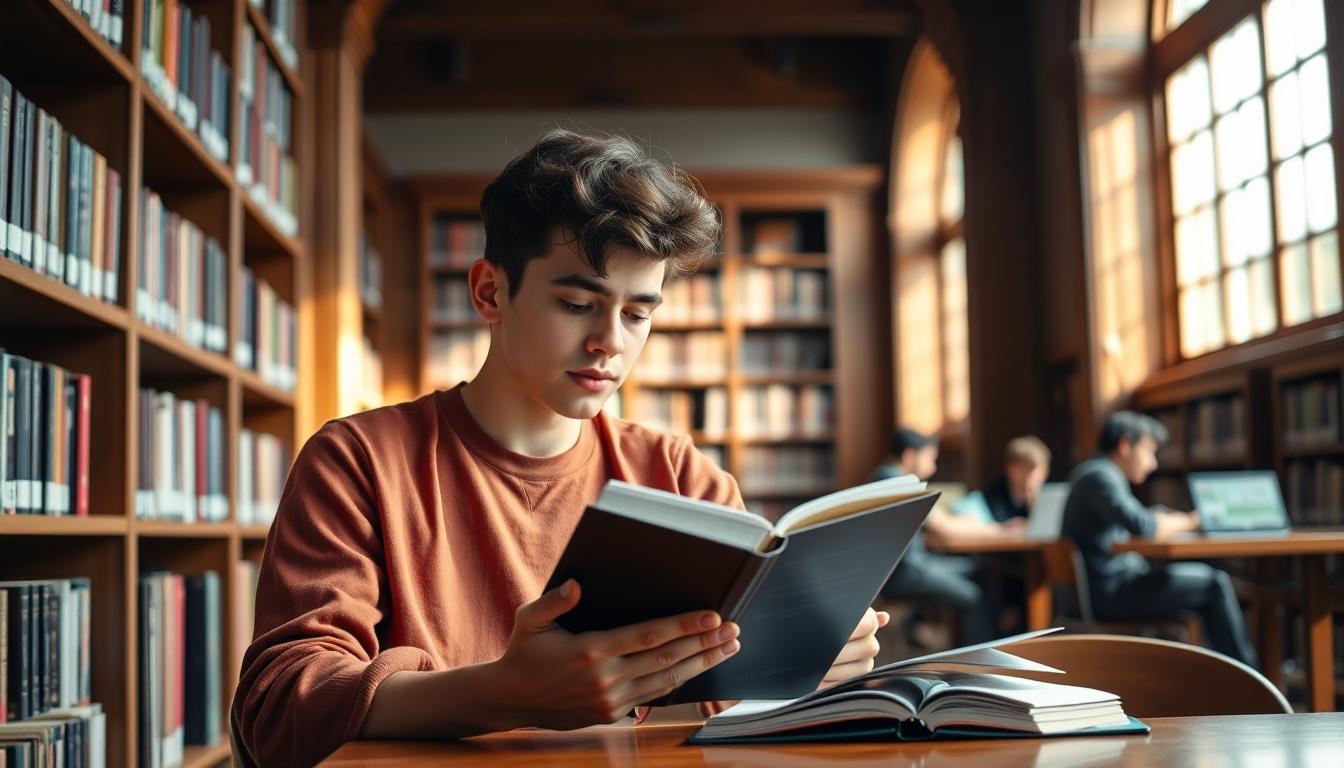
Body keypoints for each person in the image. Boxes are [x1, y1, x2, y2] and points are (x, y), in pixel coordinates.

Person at [230, 130, 887, 766]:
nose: (611, 341)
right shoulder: (357, 461)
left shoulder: (681, 477)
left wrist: (799, 666)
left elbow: (722, 709)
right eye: (578, 303)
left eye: (637, 314)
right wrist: (503, 693)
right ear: (490, 292)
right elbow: (279, 709)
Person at [1062, 411, 1258, 667]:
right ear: (1125, 445)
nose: (1152, 463)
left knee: (1203, 584)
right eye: (1148, 451)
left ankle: (1226, 677)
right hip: (1111, 593)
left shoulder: (1093, 473)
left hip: (1106, 587)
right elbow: (1144, 525)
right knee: (1214, 584)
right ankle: (1251, 680)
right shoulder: (1101, 476)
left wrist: (1162, 519)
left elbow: (1139, 520)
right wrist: (1192, 520)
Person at [875, 427, 999, 645]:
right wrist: (999, 528)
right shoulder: (897, 482)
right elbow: (942, 526)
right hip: (905, 572)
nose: (932, 467)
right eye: (930, 458)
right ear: (909, 455)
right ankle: (978, 662)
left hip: (906, 567)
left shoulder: (885, 476)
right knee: (974, 597)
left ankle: (919, 622)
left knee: (980, 568)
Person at [983, 436, 1052, 524]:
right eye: (1023, 469)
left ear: (1045, 471)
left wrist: (1034, 504)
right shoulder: (994, 492)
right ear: (1009, 468)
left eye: (1032, 469)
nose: (1029, 475)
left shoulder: (1051, 496)